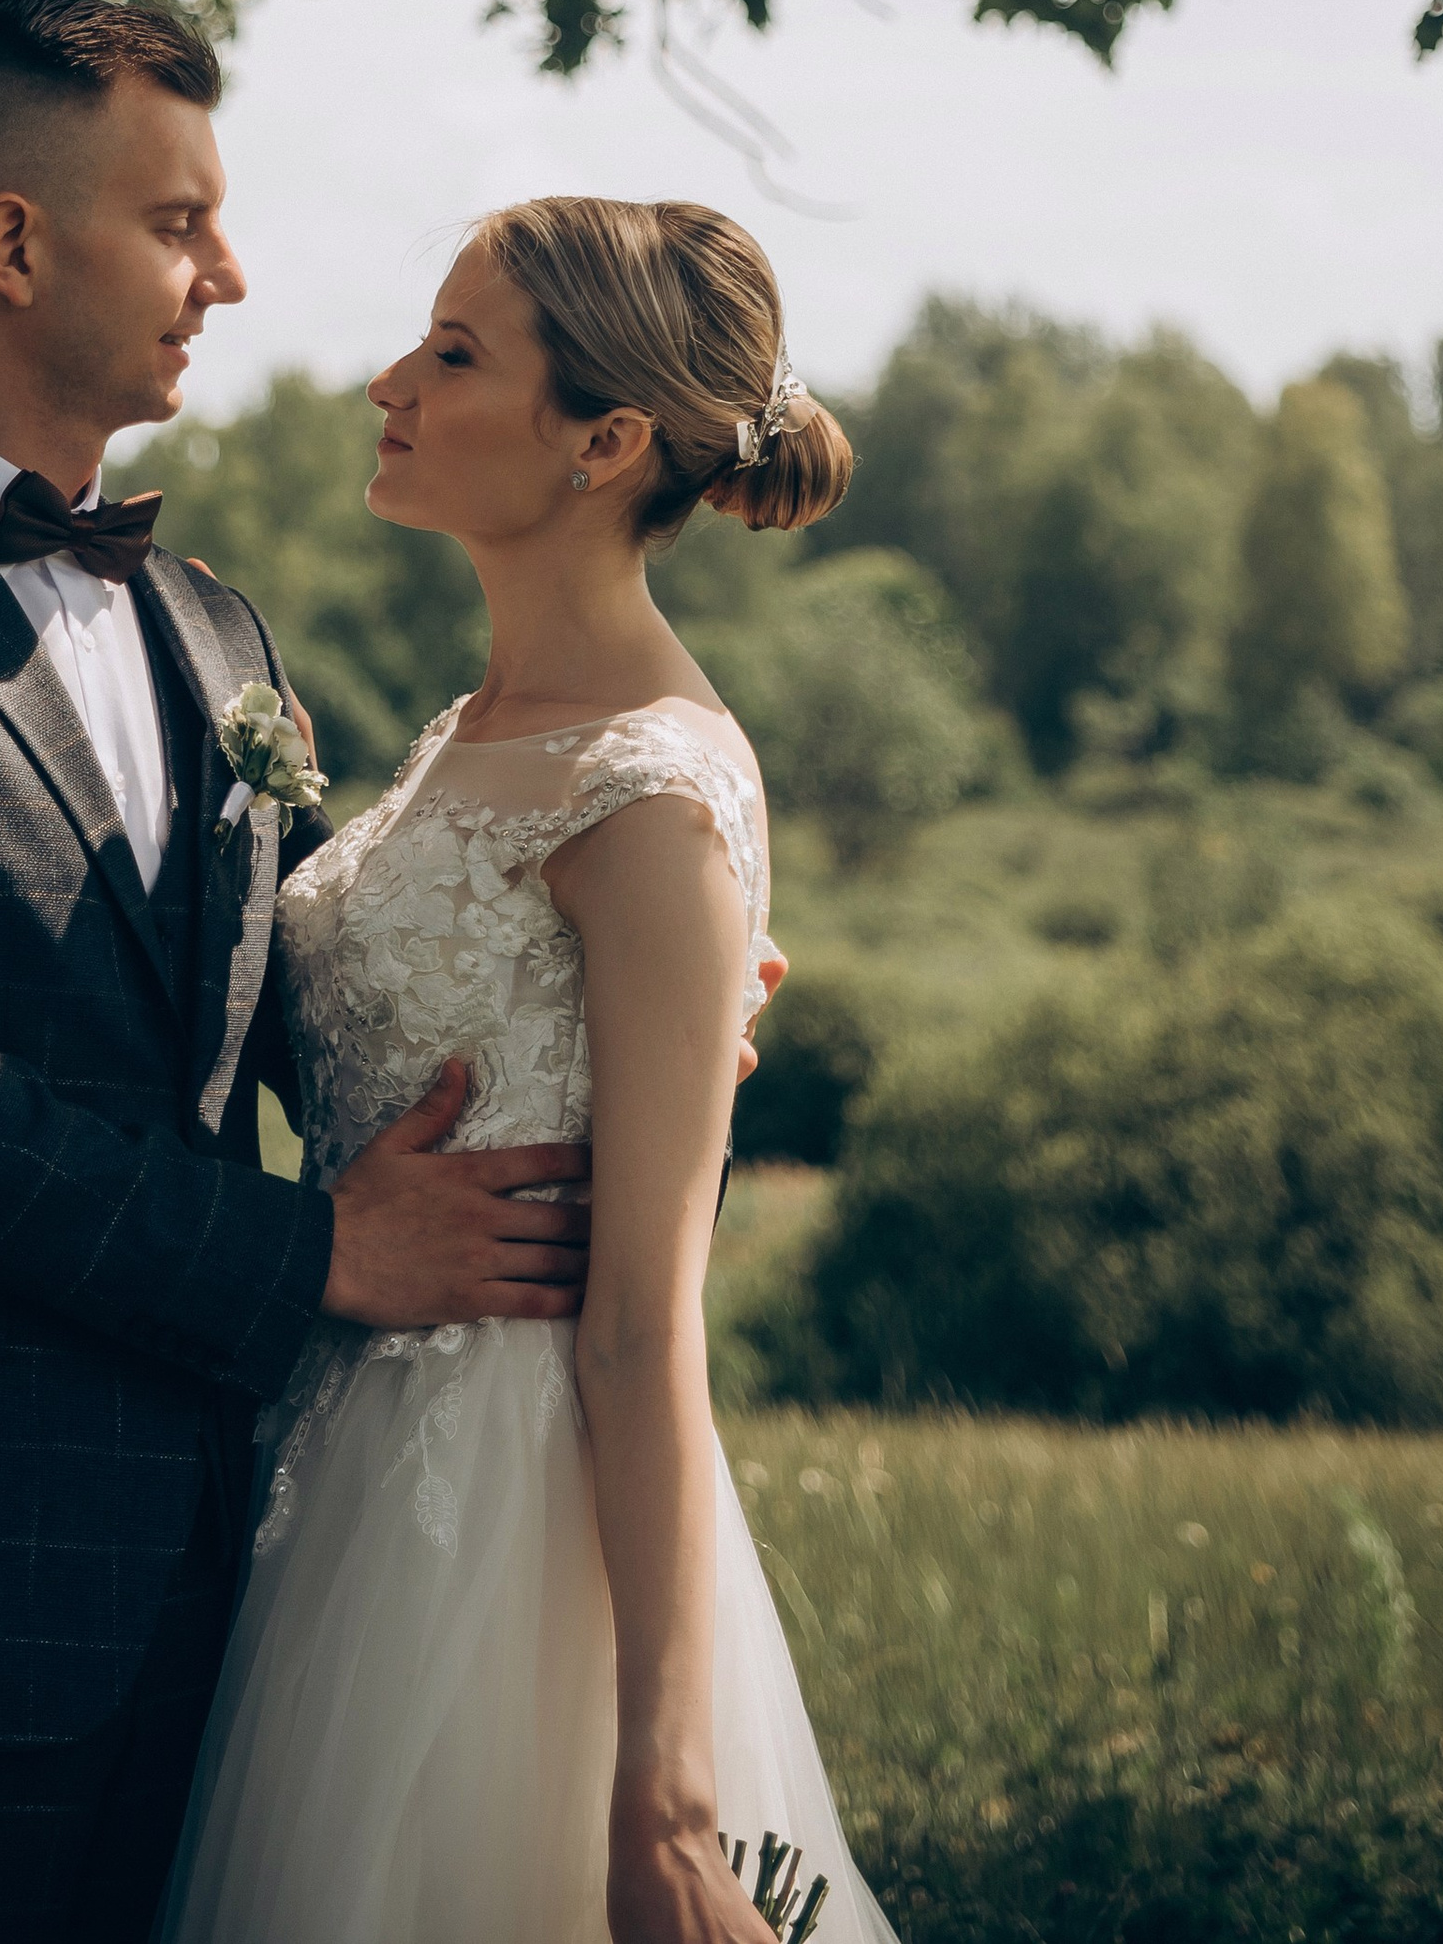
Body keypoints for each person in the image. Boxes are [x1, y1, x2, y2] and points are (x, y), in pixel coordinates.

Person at [0, 0, 618, 1940]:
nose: (228, 275)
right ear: (11, 243)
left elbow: (341, 976)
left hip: (230, 1625)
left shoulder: (222, 635)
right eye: (177, 223)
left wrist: (621, 944)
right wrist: (307, 1252)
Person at [161, 196, 894, 1944]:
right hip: (317, 1475)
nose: (386, 380)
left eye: (455, 354)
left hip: (506, 1530)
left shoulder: (653, 798)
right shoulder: (465, 736)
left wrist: (668, 1792)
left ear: (607, 442)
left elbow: (646, 1323)